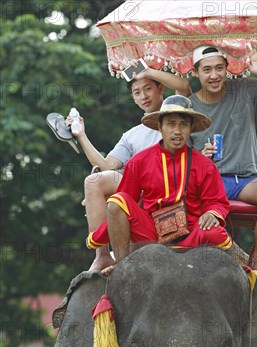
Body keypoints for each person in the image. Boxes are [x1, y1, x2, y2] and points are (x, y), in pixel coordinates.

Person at [86, 95, 232, 275]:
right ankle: (122, 266)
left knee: (216, 233)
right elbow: (125, 200)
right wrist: (102, 231)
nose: (177, 131)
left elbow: (217, 201)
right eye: (171, 124)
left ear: (191, 129)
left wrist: (212, 214)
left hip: (191, 232)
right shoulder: (138, 161)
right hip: (150, 232)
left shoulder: (206, 165)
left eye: (183, 125)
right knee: (117, 202)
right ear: (159, 127)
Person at [67, 68, 192, 271]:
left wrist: (146, 69)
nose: (143, 96)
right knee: (93, 181)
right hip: (139, 186)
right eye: (136, 92)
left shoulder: (179, 116)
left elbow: (184, 87)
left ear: (161, 88)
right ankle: (103, 255)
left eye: (148, 88)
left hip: (170, 185)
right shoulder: (132, 135)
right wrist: (81, 135)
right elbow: (107, 166)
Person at [189, 42, 257, 271]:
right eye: (207, 70)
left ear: (227, 68)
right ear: (195, 72)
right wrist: (199, 157)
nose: (214, 75)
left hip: (244, 180)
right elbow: (177, 157)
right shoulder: (187, 106)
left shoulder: (247, 89)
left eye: (219, 68)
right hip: (205, 182)